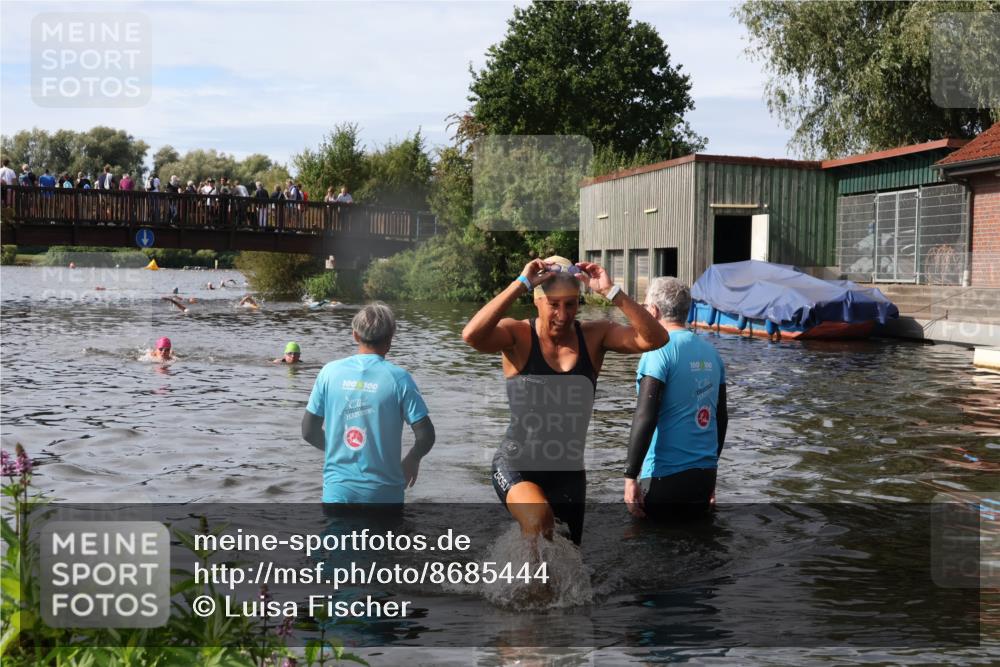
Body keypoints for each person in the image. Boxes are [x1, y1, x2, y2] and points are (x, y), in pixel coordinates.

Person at [462, 256, 667, 545]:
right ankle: (522, 589)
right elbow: (471, 335)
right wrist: (520, 284)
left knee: (568, 564)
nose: (562, 314)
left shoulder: (595, 336)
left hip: (568, 475)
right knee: (538, 519)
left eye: (570, 304)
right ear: (537, 301)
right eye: (553, 304)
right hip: (517, 462)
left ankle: (529, 584)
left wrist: (612, 292)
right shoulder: (517, 335)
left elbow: (656, 339)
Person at [301, 303, 435, 505]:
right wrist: (413, 458)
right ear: (390, 339)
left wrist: (337, 450)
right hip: (384, 496)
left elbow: (308, 431)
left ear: (355, 335)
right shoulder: (399, 379)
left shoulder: (329, 373)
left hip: (338, 493)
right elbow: (426, 436)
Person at [623, 277, 728, 521]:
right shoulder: (712, 354)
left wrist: (630, 477)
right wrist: (711, 471)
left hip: (663, 477)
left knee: (652, 549)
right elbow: (720, 418)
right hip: (704, 475)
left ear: (653, 311)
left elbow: (645, 416)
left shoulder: (657, 351)